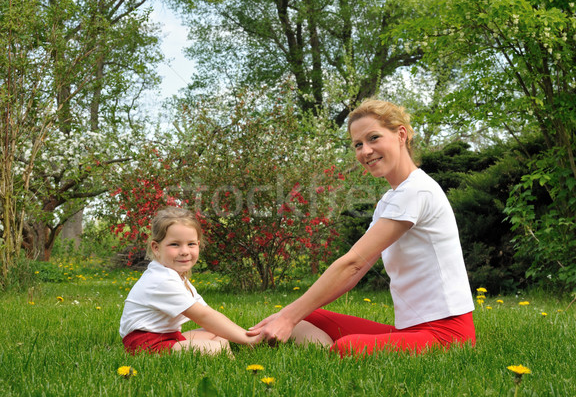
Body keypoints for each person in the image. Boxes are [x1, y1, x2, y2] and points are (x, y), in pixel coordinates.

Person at [247, 99, 476, 357]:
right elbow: (358, 269)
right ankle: (240, 339)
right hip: (411, 331)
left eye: (374, 138)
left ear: (401, 134)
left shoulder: (417, 190)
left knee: (343, 346)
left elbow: (353, 264)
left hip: (447, 335)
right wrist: (288, 316)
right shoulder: (390, 200)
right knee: (308, 317)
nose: (365, 151)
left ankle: (320, 351)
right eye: (358, 144)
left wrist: (288, 318)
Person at [119, 207, 261, 355]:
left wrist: (245, 334)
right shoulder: (161, 280)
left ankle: (227, 352)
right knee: (215, 348)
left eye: (191, 244)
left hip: (168, 336)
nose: (185, 251)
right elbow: (203, 316)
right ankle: (228, 362)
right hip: (146, 344)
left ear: (198, 245)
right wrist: (248, 339)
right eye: (175, 244)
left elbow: (208, 312)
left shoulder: (175, 276)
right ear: (156, 248)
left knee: (219, 334)